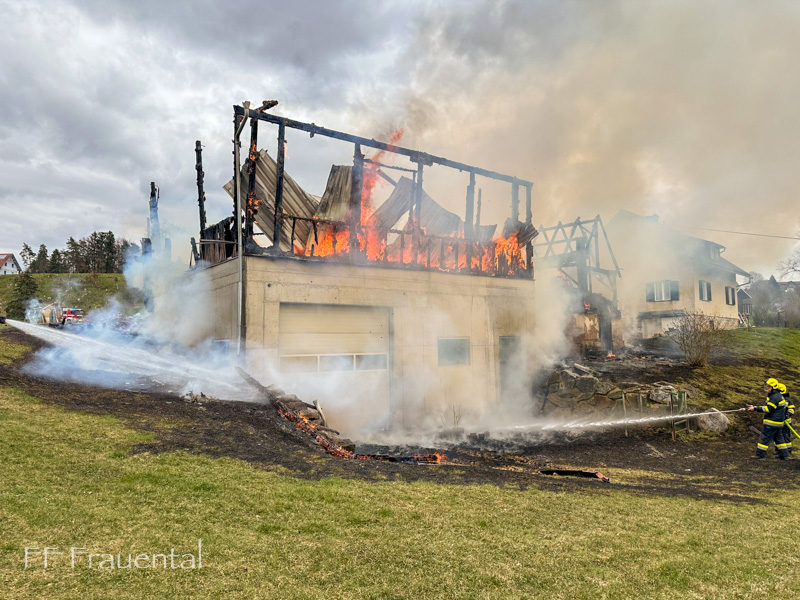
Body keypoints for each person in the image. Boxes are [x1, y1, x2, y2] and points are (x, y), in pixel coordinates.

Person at [747, 378, 790, 459]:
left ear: (774, 387)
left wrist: (755, 408)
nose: (767, 388)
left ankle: (760, 454)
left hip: (771, 423)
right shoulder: (779, 396)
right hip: (778, 423)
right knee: (779, 440)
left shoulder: (774, 397)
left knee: (764, 439)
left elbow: (768, 409)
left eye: (769, 386)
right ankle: (784, 455)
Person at [779, 382, 794, 455]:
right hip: (778, 422)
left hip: (786, 422)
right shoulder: (776, 399)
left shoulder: (788, 400)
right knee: (778, 436)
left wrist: (787, 415)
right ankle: (779, 450)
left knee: (786, 436)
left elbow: (792, 409)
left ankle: (788, 450)